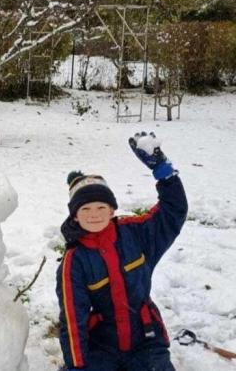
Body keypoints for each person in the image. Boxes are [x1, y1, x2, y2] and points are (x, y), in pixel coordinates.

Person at [56, 132, 188, 371]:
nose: (94, 214)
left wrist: (164, 173)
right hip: (102, 346)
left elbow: (173, 212)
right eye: (85, 209)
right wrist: (77, 366)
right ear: (74, 215)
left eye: (101, 207)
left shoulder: (135, 233)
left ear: (112, 210)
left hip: (146, 340)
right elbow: (73, 320)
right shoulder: (74, 260)